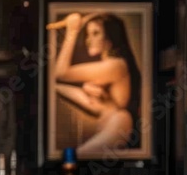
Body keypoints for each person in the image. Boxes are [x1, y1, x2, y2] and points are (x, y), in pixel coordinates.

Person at [47, 12, 141, 157]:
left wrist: (72, 31)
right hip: (112, 122)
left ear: (110, 38)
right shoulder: (108, 73)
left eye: (95, 33)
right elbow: (58, 84)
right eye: (87, 34)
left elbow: (60, 74)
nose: (88, 40)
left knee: (77, 160)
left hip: (119, 122)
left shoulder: (116, 66)